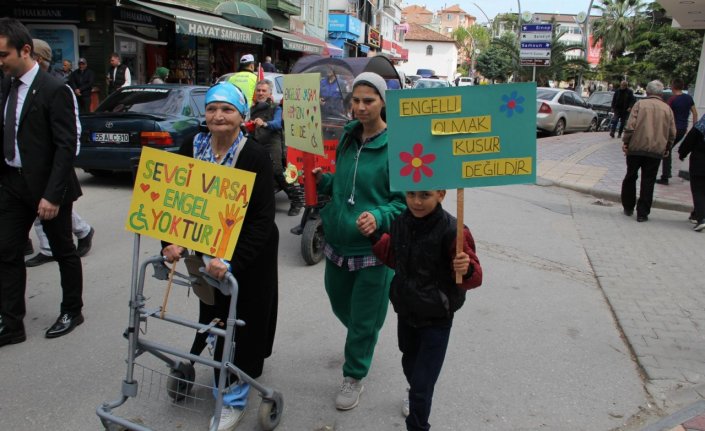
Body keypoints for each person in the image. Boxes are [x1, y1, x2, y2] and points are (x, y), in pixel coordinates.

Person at [162, 82, 278, 431]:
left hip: (248, 255)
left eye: (227, 109)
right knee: (212, 313)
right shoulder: (191, 147)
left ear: (242, 117)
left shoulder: (254, 156)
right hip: (205, 248)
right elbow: (175, 199)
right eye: (212, 109)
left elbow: (261, 219)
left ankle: (233, 397)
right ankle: (217, 363)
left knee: (243, 321)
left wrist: (233, 262)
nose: (218, 115)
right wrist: (170, 241)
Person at [312, 72, 406, 411]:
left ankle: (354, 374)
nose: (361, 107)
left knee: (364, 318)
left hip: (375, 249)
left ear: (382, 102)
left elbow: (403, 200)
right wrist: (324, 182)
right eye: (356, 100)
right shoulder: (349, 137)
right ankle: (362, 338)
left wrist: (379, 216)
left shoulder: (397, 145)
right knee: (341, 303)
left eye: (369, 100)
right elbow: (346, 184)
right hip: (338, 241)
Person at [361, 189, 482, 430]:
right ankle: (414, 387)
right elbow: (394, 257)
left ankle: (417, 423)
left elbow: (475, 276)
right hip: (406, 311)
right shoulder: (400, 222)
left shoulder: (455, 232)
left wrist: (465, 267)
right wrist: (374, 236)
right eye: (411, 194)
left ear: (440, 194)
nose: (416, 201)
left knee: (422, 387)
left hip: (437, 318)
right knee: (409, 362)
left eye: (424, 195)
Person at [0, 18, 84, 347]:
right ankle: (11, 322)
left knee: (63, 251)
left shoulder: (54, 90)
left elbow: (66, 146)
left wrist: (52, 196)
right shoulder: (4, 85)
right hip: (11, 184)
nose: (0, 60)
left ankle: (72, 310)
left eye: (4, 54)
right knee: (6, 252)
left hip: (50, 189)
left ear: (25, 50)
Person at [26, 41, 95, 268]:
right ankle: (80, 232)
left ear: (37, 60)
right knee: (42, 210)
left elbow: (70, 135)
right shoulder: (18, 86)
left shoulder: (58, 89)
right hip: (28, 166)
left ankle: (53, 246)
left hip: (54, 166)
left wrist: (63, 166)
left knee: (49, 210)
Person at [620, 80, 676, 222]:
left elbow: (630, 126)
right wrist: (667, 147)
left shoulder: (639, 105)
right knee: (648, 180)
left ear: (648, 91)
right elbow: (672, 132)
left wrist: (626, 142)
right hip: (655, 150)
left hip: (636, 147)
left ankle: (628, 206)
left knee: (631, 176)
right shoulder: (667, 109)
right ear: (661, 93)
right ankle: (642, 213)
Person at [250, 79, 303, 216]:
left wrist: (264, 124)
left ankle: (296, 201)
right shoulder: (252, 109)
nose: (261, 93)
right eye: (259, 90)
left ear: (269, 93)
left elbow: (278, 124)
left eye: (264, 91)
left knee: (277, 171)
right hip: (256, 142)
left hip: (272, 143)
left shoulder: (275, 108)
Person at [657, 78, 699, 185]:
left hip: (672, 129)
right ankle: (666, 174)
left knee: (666, 150)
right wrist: (694, 127)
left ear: (673, 86)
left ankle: (665, 176)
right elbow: (695, 113)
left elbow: (666, 114)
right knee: (668, 149)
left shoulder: (672, 99)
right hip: (682, 129)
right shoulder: (689, 98)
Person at [678, 114, 705, 232]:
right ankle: (695, 214)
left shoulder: (702, 124)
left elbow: (691, 138)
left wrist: (682, 152)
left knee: (698, 190)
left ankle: (702, 219)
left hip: (700, 162)